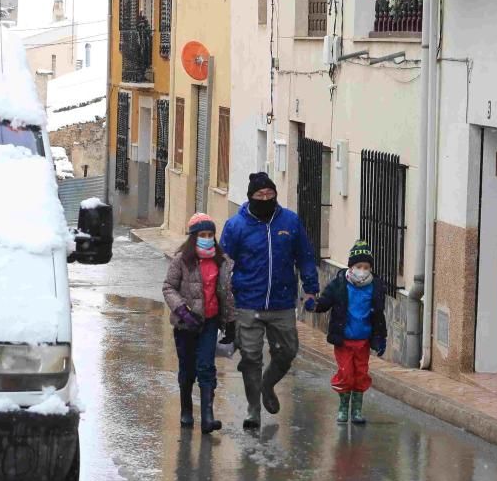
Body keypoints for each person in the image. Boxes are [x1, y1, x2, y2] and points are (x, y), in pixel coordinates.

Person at [220, 173, 318, 429]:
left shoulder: (290, 222)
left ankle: (268, 384)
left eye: (269, 194)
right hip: (247, 302)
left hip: (282, 302)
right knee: (251, 357)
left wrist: (311, 289)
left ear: (275, 195)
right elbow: (223, 266)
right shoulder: (235, 226)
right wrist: (222, 301)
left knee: (287, 351)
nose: (265, 198)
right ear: (250, 197)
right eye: (259, 195)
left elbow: (305, 257)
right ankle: (253, 410)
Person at [162, 213, 236, 435]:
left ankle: (207, 417)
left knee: (206, 366)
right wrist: (182, 310)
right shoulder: (181, 261)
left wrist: (231, 323)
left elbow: (227, 294)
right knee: (187, 368)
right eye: (202, 235)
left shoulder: (222, 262)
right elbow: (168, 288)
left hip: (209, 323)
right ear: (194, 237)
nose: (207, 238)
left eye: (210, 234)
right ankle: (186, 410)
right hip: (186, 325)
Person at [313, 240, 388, 424]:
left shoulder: (376, 287)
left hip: (363, 341)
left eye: (366, 266)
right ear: (351, 266)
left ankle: (356, 410)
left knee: (360, 374)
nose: (362, 270)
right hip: (344, 340)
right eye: (358, 266)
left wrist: (380, 338)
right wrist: (314, 304)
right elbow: (325, 301)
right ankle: (343, 408)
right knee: (346, 373)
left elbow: (379, 315)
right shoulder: (340, 284)